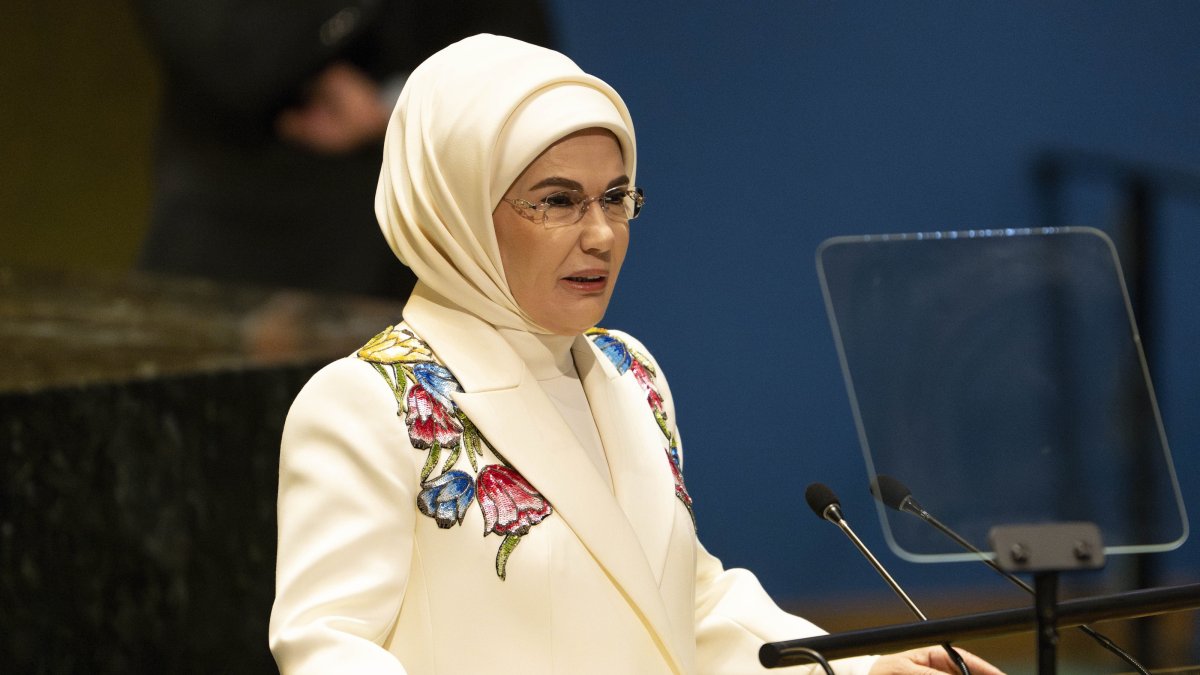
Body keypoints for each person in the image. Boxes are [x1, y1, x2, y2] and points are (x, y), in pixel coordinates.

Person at [268, 34, 1006, 674]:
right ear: (454, 207)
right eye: (558, 200)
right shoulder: (369, 400)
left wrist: (859, 665)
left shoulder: (628, 369)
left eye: (616, 197)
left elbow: (684, 600)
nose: (601, 234)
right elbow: (327, 649)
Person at [133, 0, 553, 297]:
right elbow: (235, 52)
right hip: (241, 247)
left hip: (421, 260)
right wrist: (317, 76)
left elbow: (521, 68)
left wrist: (397, 105)